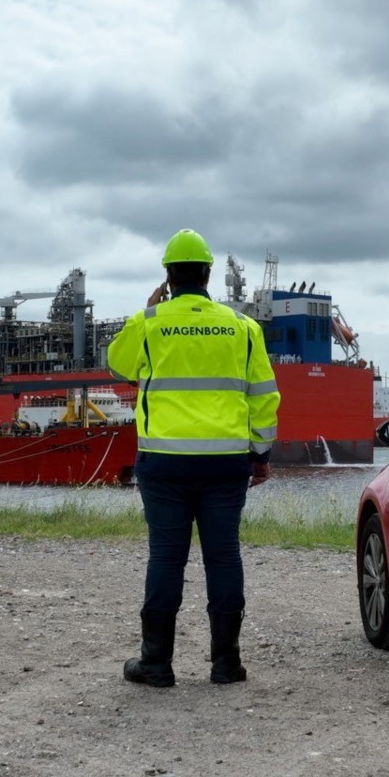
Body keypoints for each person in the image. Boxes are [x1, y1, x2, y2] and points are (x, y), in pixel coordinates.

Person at [108, 228, 280, 688]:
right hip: (226, 462)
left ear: (168, 276)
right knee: (223, 557)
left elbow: (117, 365)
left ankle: (156, 664)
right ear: (208, 275)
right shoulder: (242, 327)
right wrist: (260, 454)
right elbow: (264, 396)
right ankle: (226, 664)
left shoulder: (150, 322)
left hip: (164, 462)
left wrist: (146, 310)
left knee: (166, 557)